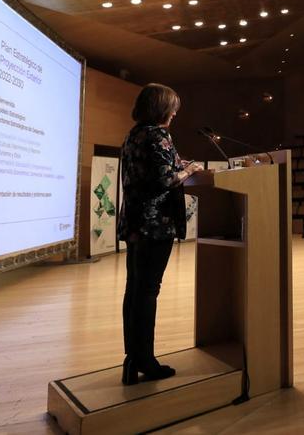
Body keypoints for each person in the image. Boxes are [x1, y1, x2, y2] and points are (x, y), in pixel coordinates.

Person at [120, 83, 205, 385]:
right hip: (154, 224)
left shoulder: (135, 134)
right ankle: (145, 360)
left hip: (135, 223)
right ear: (162, 109)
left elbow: (152, 169)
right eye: (172, 108)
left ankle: (132, 358)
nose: (174, 114)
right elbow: (165, 179)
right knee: (147, 290)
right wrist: (190, 170)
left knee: (135, 288)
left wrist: (179, 164)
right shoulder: (158, 135)